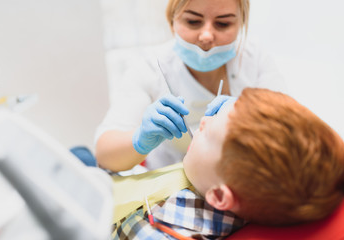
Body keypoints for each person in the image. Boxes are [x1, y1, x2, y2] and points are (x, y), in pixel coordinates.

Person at [112, 88, 344, 239]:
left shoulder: (172, 230)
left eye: (208, 132)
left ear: (220, 197)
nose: (203, 121)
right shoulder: (226, 180)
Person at [95, 0, 286, 172]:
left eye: (223, 23)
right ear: (172, 21)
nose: (206, 36)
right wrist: (140, 139)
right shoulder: (150, 68)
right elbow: (105, 155)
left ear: (241, 24)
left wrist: (252, 117)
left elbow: (292, 134)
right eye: (193, 22)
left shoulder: (255, 61)